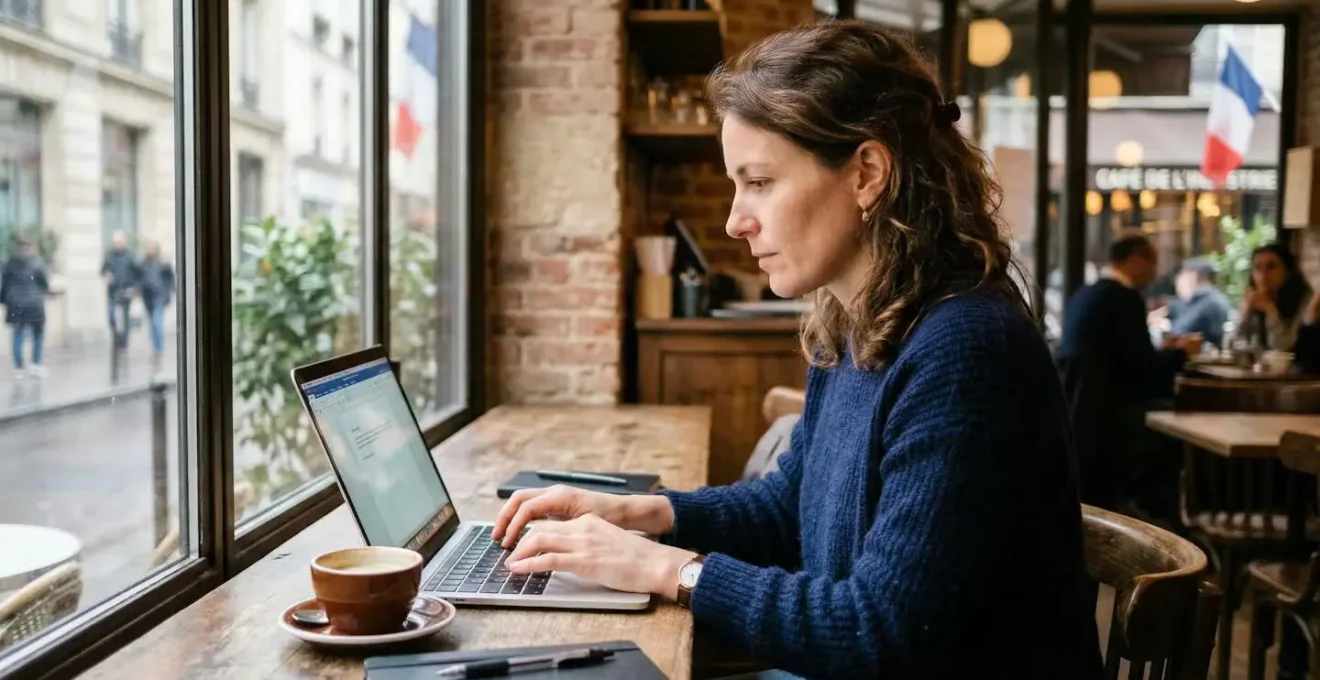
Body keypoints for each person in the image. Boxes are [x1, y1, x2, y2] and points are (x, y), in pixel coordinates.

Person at [491, 21, 1102, 678]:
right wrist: (646, 514)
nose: (734, 220)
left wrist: (666, 568)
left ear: (867, 172)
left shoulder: (968, 349)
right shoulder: (855, 324)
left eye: (758, 182)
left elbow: (882, 630)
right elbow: (790, 507)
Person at [1054, 234, 1195, 517]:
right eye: (1153, 262)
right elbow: (1144, 369)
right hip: (1112, 420)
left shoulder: (1085, 293)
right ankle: (1168, 524)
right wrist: (1182, 353)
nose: (1155, 271)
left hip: (1081, 417)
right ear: (1136, 260)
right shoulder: (1124, 298)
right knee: (1179, 439)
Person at [1230, 243, 1312, 353]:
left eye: (1271, 267)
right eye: (1257, 267)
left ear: (1287, 272)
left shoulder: (1305, 301)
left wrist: (1271, 311)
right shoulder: (1253, 299)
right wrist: (1244, 315)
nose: (1263, 274)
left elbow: (1284, 350)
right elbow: (1230, 348)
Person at [0, 235, 50, 378]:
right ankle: (35, 365)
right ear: (30, 248)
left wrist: (3, 301)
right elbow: (45, 285)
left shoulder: (8, 264)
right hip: (34, 304)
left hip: (16, 305)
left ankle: (19, 368)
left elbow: (3, 286)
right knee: (37, 335)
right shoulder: (37, 264)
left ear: (17, 247)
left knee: (18, 335)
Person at [1164, 257, 1232, 349]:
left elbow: (1180, 332)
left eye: (1181, 275)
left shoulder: (1211, 304)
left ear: (1192, 276)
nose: (1177, 281)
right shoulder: (1200, 301)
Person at [136, 240, 174, 373]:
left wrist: (168, 295)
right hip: (148, 299)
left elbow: (170, 280)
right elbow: (139, 279)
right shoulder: (142, 264)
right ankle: (155, 349)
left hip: (159, 297)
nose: (150, 251)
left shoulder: (163, 264)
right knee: (153, 325)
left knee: (157, 323)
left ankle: (158, 350)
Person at [101, 230, 137, 351]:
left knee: (125, 318)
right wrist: (106, 275)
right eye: (115, 243)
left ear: (124, 243)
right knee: (111, 316)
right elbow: (103, 270)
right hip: (112, 291)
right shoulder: (109, 255)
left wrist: (133, 288)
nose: (116, 245)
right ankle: (115, 336)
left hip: (126, 290)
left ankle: (124, 342)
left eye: (119, 243)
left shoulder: (130, 255)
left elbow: (136, 272)